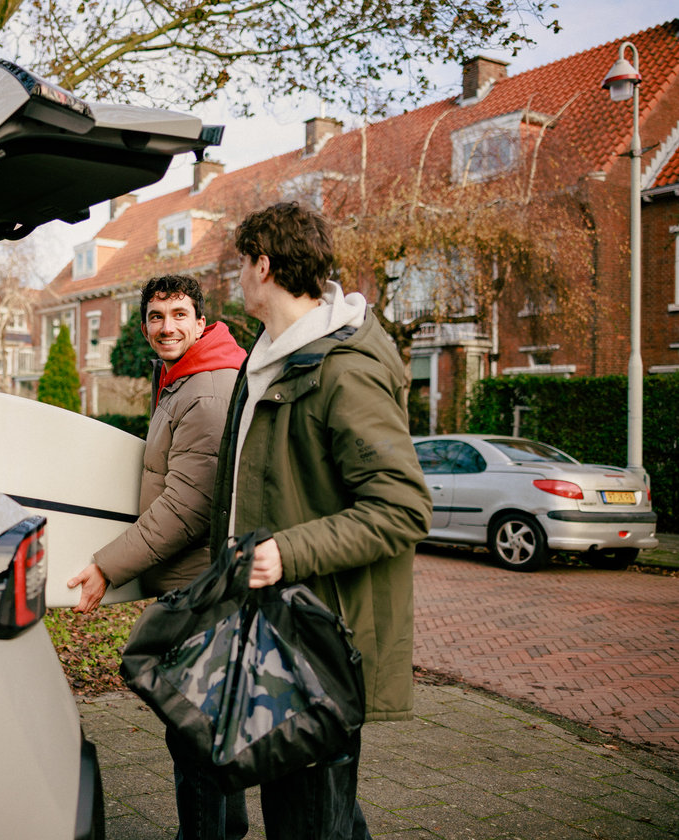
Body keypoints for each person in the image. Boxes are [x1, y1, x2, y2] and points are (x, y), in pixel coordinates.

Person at [209, 202, 432, 839]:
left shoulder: (344, 369)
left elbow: (403, 507)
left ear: (264, 265)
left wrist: (287, 551)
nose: (238, 278)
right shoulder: (271, 358)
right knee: (318, 812)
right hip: (272, 629)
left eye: (241, 264)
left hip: (316, 640)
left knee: (308, 816)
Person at [67, 273, 248, 840]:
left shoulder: (209, 388)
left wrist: (107, 565)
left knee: (191, 728)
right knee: (208, 723)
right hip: (193, 583)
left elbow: (187, 507)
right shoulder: (183, 376)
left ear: (201, 322)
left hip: (202, 586)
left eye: (177, 315)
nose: (165, 327)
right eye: (155, 316)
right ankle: (229, 828)